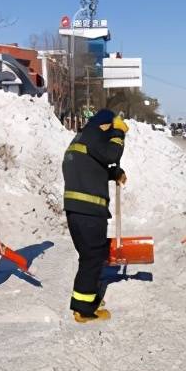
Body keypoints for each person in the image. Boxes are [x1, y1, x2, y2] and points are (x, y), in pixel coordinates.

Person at [62, 109, 127, 323]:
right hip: (89, 211)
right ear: (105, 126)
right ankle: (83, 310)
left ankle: (86, 300)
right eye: (109, 128)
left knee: (88, 257)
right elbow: (111, 155)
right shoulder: (95, 135)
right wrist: (119, 133)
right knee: (92, 258)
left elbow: (90, 167)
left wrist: (112, 173)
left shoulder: (81, 138)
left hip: (75, 210)